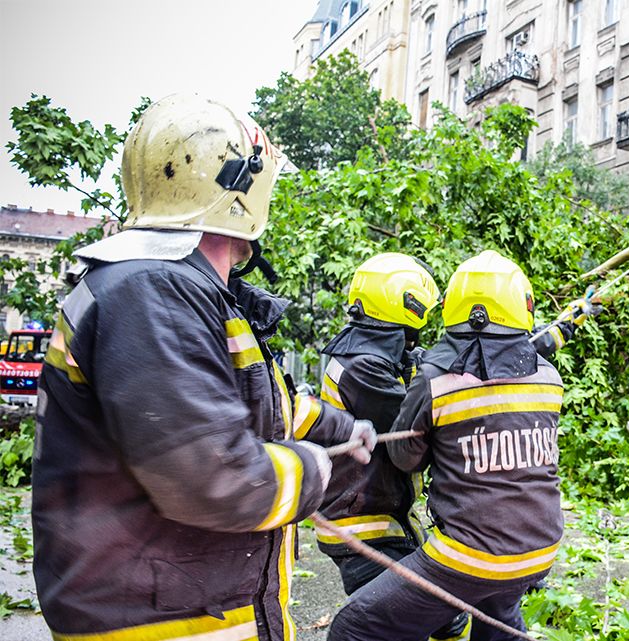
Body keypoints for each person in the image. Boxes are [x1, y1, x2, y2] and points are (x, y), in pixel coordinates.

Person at [31, 94, 375, 641]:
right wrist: (315, 469)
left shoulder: (185, 292)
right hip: (160, 622)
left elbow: (258, 409)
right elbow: (215, 477)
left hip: (194, 607)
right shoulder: (149, 292)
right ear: (244, 191)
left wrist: (344, 430)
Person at [329, 250, 565, 641]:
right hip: (540, 549)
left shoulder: (436, 379)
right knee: (496, 617)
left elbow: (405, 459)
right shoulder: (549, 377)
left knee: (356, 627)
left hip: (469, 557)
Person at [316, 252, 469, 641]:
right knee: (407, 618)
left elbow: (428, 367)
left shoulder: (376, 352)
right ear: (408, 305)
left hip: (384, 517)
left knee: (447, 617)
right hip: (360, 524)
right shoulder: (363, 365)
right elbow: (413, 428)